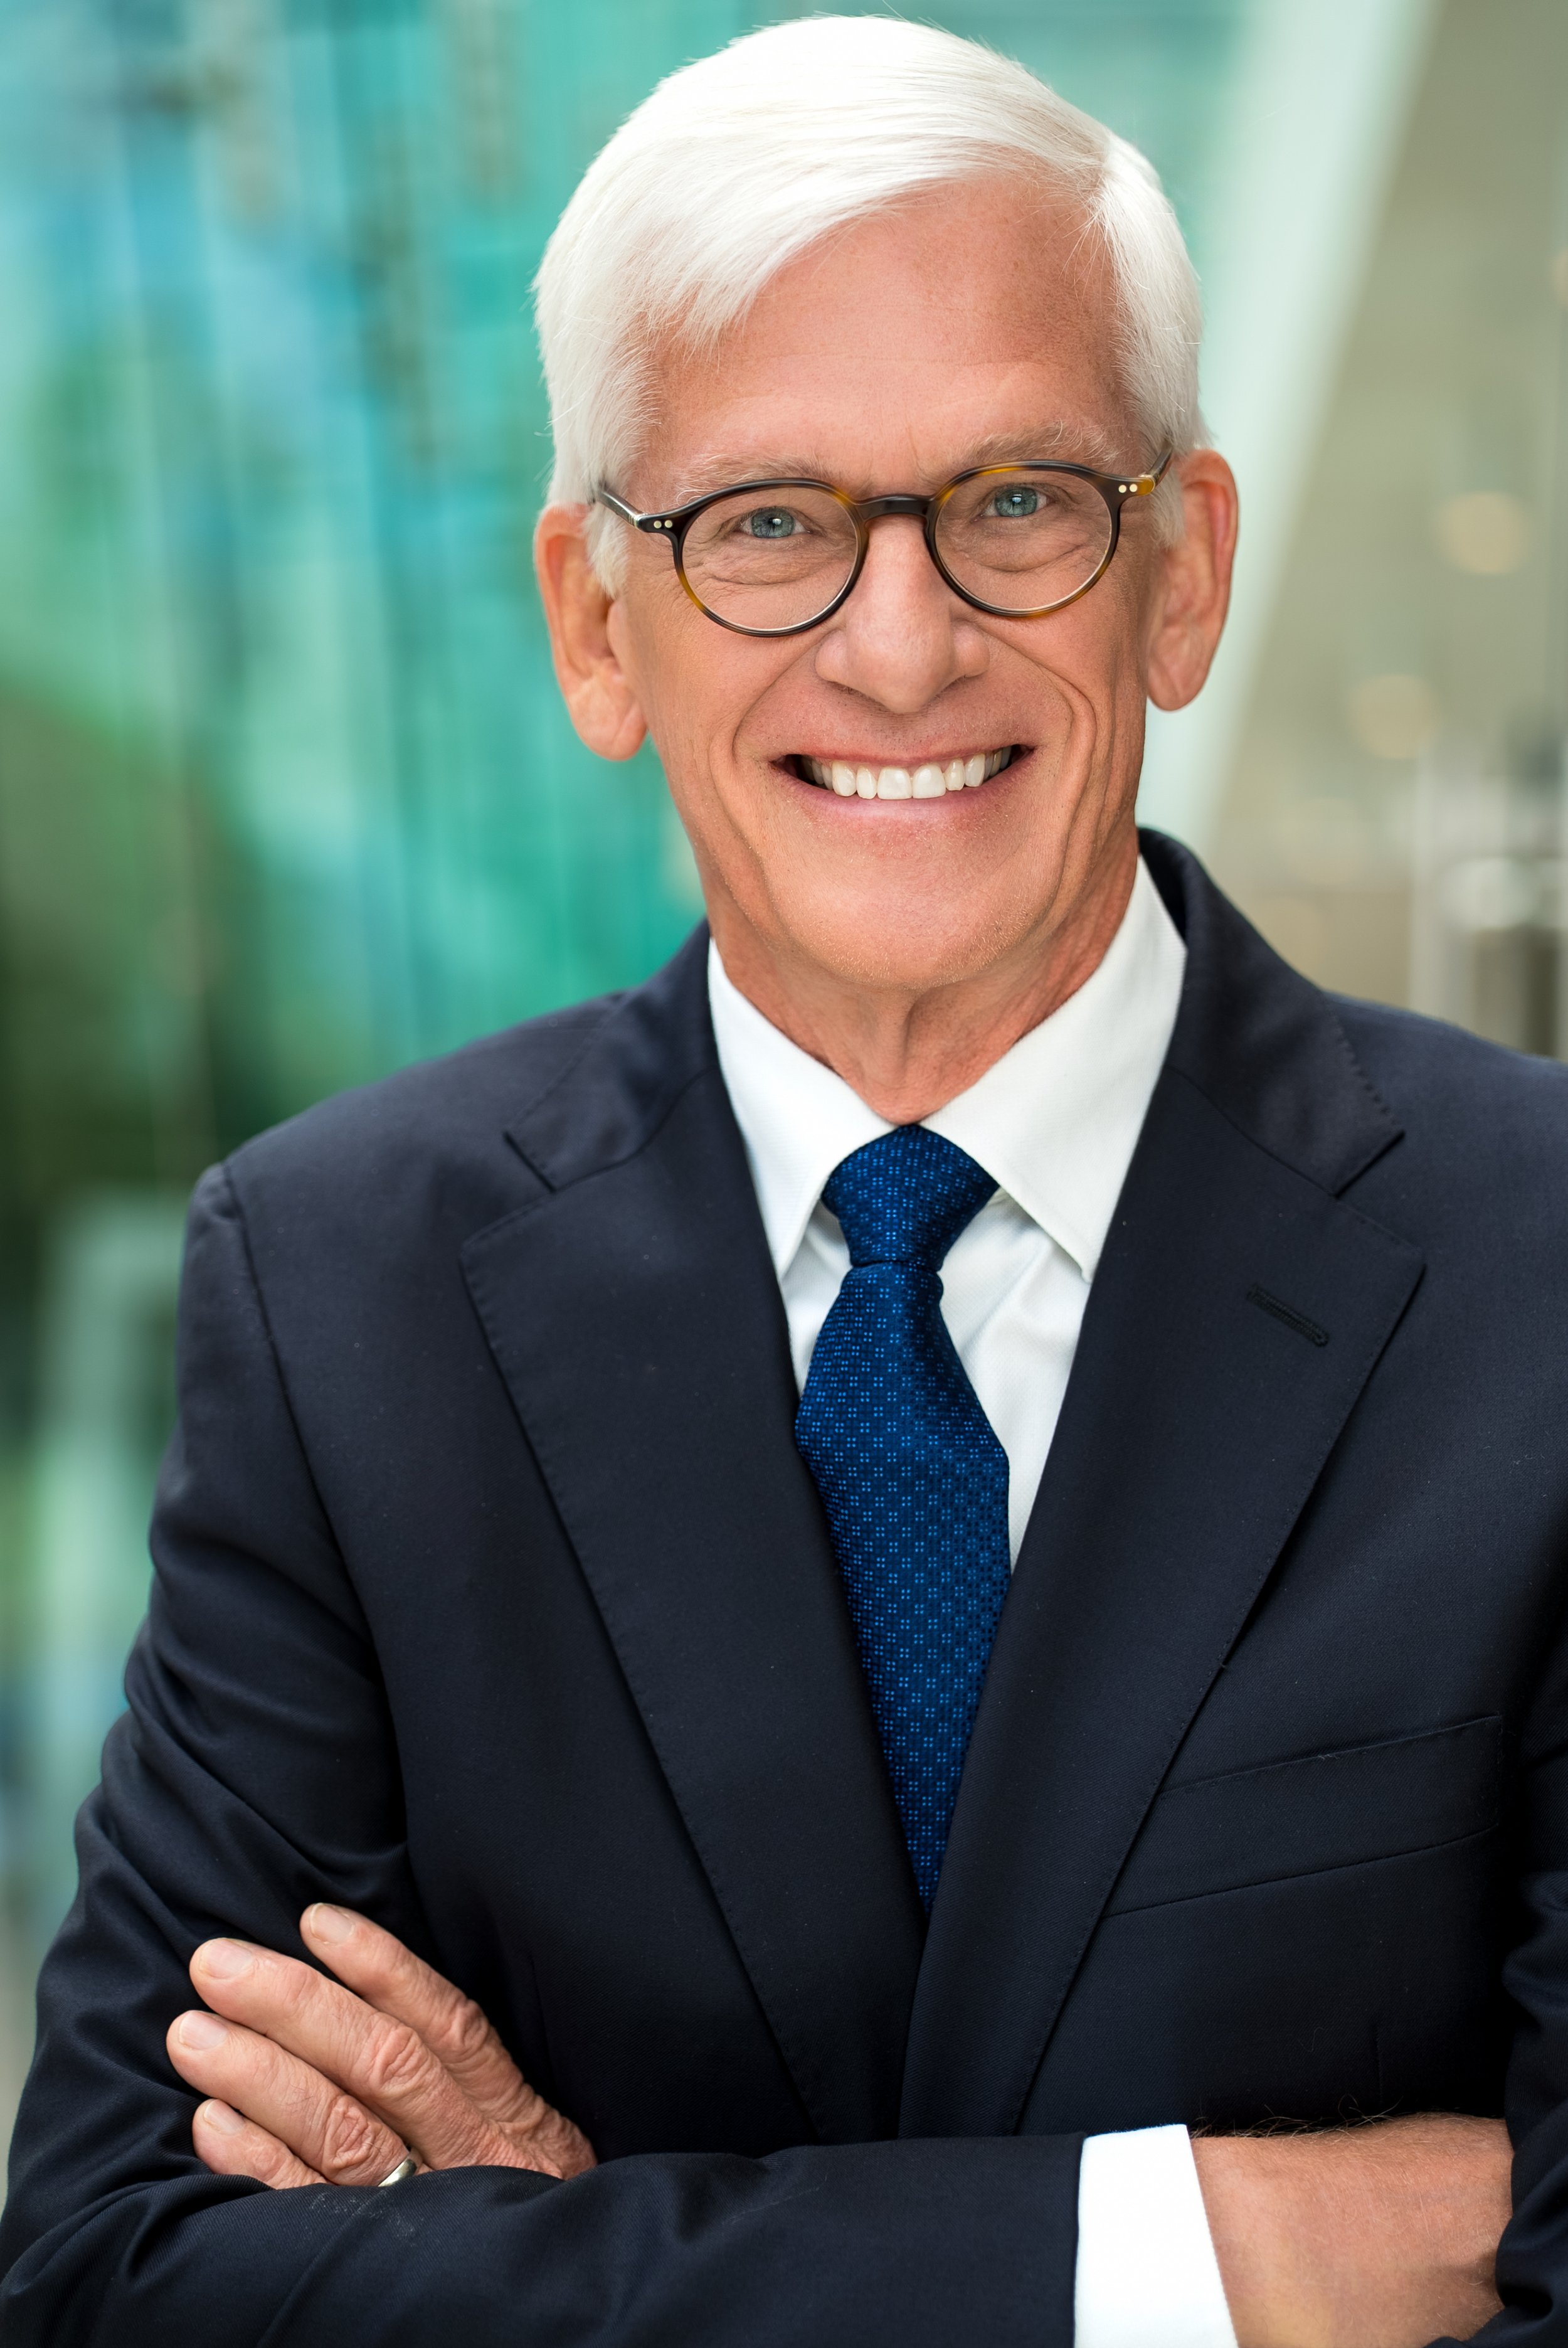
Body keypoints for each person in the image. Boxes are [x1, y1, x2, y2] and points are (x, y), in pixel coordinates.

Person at [1, 15, 1559, 2344]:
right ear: (589, 623)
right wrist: (1197, 2263)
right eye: (767, 526)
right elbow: (125, 2278)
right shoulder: (341, 1298)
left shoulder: (1539, 1263)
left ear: (1182, 573)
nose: (903, 640)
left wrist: (549, 2237)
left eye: (1018, 499)